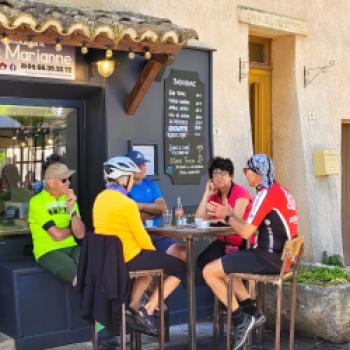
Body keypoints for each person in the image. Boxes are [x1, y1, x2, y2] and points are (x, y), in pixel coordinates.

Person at [202, 154, 298, 350]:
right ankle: (252, 312)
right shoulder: (281, 190)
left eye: (247, 170)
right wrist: (229, 214)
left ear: (257, 172)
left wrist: (226, 216)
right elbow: (249, 226)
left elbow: (246, 232)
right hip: (282, 257)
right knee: (227, 263)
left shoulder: (265, 194)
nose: (245, 173)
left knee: (209, 271)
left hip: (269, 257)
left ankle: (240, 320)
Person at [93, 156, 186, 335]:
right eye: (131, 176)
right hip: (129, 257)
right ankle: (148, 309)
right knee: (180, 267)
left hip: (108, 259)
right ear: (124, 178)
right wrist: (154, 256)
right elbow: (142, 237)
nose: (132, 180)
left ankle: (133, 309)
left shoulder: (100, 199)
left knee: (149, 269)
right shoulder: (127, 203)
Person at [28, 163, 85, 286]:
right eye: (64, 180)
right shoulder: (37, 202)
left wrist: (72, 210)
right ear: (51, 182)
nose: (68, 183)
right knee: (79, 278)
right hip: (48, 251)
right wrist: (71, 230)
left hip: (72, 246)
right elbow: (57, 235)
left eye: (69, 179)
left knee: (94, 270)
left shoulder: (70, 200)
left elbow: (80, 234)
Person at [127, 150, 186, 262]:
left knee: (184, 254)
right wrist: (154, 211)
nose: (144, 167)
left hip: (157, 234)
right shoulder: (125, 187)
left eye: (144, 163)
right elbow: (135, 216)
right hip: (137, 237)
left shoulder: (150, 183)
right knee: (155, 263)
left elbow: (163, 208)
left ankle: (164, 280)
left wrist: (140, 206)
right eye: (140, 164)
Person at [196, 157, 253, 270]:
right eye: (215, 173)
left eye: (222, 173)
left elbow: (236, 219)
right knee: (203, 260)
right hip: (223, 242)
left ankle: (229, 285)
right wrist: (206, 194)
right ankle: (222, 286)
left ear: (230, 176)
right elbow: (199, 219)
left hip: (243, 243)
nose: (218, 177)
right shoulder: (214, 195)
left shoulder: (241, 193)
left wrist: (214, 220)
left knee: (223, 266)